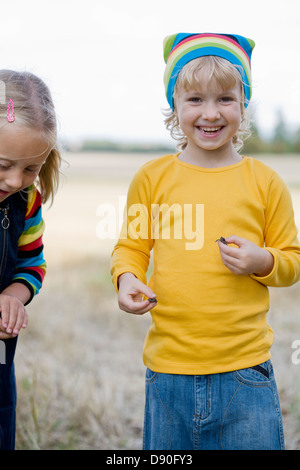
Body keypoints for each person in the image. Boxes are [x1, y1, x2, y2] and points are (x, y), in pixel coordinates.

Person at [111, 33, 300, 450]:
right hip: (168, 372)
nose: (210, 113)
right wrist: (126, 278)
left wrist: (263, 261)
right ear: (174, 106)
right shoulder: (152, 178)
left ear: (243, 103)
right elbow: (132, 247)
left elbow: (292, 261)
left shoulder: (265, 183)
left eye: (225, 99)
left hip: (245, 372)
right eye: (195, 99)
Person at [0, 70, 61, 449]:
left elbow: (31, 264)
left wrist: (13, 297)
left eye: (31, 169)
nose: (14, 181)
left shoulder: (27, 201)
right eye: (4, 164)